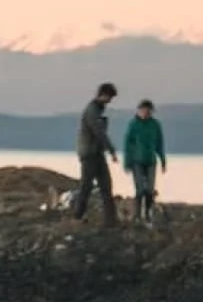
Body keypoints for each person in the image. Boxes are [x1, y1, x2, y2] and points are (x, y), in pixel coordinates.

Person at [72, 82, 119, 226]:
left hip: (96, 152)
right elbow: (99, 132)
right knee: (87, 185)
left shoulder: (97, 110)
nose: (110, 101)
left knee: (106, 185)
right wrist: (111, 150)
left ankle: (110, 221)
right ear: (103, 95)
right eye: (109, 97)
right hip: (90, 153)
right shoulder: (92, 111)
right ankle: (78, 215)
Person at [123, 99, 168, 224]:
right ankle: (136, 215)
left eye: (148, 111)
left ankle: (148, 213)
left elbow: (159, 143)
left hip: (151, 161)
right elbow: (128, 144)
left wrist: (163, 160)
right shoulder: (133, 124)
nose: (145, 113)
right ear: (139, 111)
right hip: (137, 161)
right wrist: (127, 162)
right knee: (139, 190)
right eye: (143, 110)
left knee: (149, 189)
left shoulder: (155, 125)